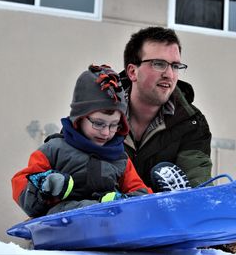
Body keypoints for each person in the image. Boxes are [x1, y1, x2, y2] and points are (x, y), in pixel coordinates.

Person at [120, 27, 236, 253]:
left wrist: (212, 225)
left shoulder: (191, 124)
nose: (169, 73)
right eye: (159, 64)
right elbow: (70, 152)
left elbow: (197, 178)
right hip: (107, 214)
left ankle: (200, 226)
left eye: (175, 66)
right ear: (132, 71)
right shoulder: (99, 111)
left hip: (161, 225)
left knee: (171, 179)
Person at [11, 64, 152, 218]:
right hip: (62, 229)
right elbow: (21, 185)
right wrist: (45, 185)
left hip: (109, 229)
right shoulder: (54, 150)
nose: (106, 132)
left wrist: (123, 201)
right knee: (81, 209)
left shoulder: (120, 159)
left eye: (113, 125)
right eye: (98, 123)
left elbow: (140, 192)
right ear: (79, 118)